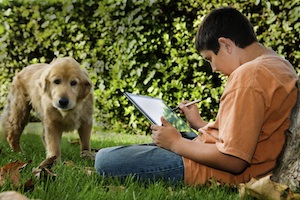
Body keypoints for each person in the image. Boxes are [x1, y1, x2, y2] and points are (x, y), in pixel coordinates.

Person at [94, 7, 298, 185]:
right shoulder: (278, 64)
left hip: (216, 170)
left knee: (105, 159)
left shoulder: (248, 77)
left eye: (210, 59)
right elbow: (251, 133)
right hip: (221, 153)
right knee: (155, 143)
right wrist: (199, 124)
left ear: (226, 44)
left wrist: (177, 144)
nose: (214, 68)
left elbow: (235, 161)